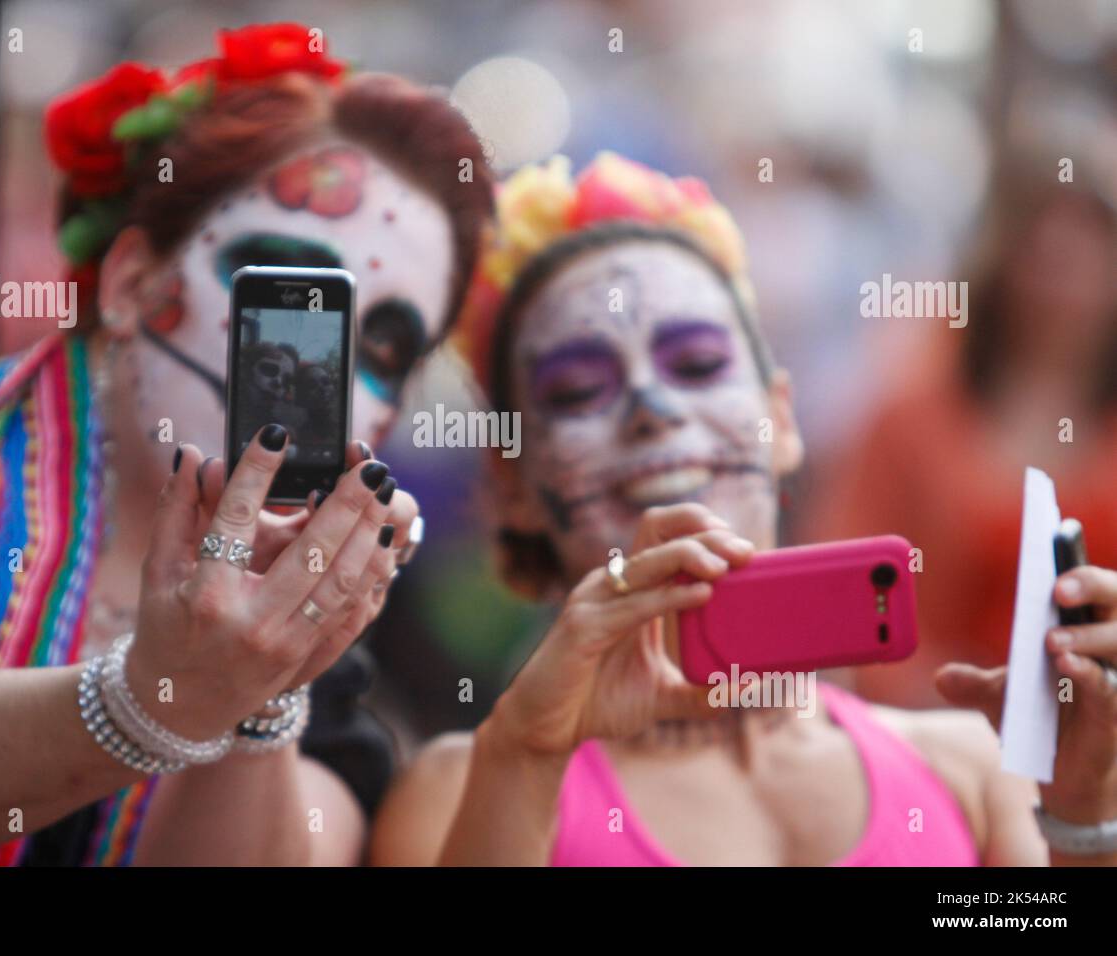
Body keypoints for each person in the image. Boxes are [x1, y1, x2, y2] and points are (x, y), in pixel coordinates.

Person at [0, 22, 491, 866]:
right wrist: (153, 704)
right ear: (134, 281)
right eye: (282, 296)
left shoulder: (325, 666)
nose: (323, 375)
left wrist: (259, 699)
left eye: (383, 347)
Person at [371, 153, 1117, 866]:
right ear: (511, 485)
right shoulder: (465, 787)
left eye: (696, 365)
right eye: (574, 391)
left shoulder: (970, 771)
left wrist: (1086, 809)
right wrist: (527, 756)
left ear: (781, 420)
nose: (651, 407)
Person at [803, 159, 1117, 707]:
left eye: (1090, 258)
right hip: (934, 738)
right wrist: (961, 708)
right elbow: (835, 597)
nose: (1066, 285)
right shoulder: (910, 420)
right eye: (1045, 257)